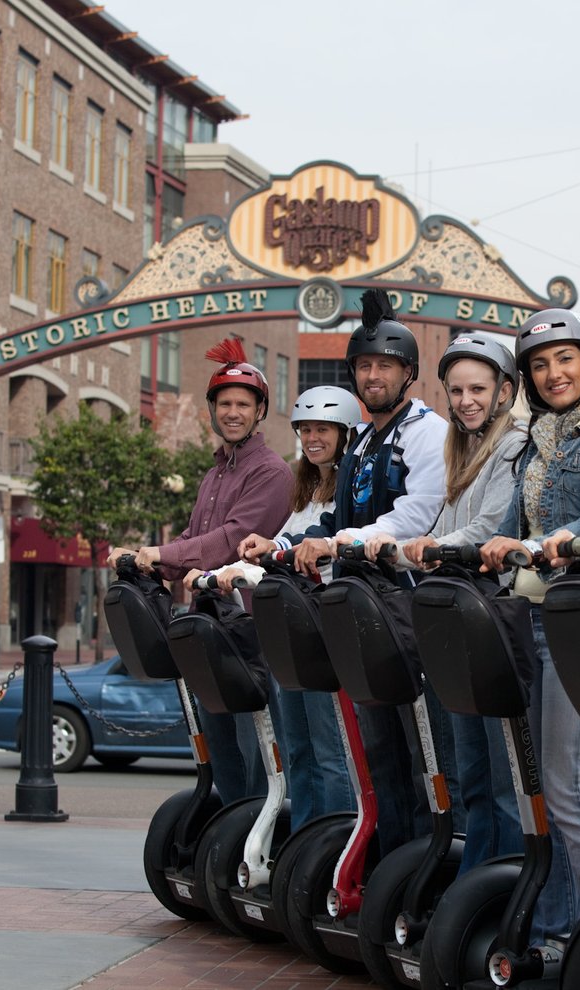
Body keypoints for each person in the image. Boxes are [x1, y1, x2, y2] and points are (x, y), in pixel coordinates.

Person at [239, 289, 450, 856]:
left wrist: (339, 541)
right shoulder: (363, 442)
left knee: (414, 754)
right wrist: (282, 543)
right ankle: (386, 862)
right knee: (376, 755)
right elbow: (334, 516)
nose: (373, 375)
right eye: (363, 366)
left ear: (407, 372)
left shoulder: (426, 432)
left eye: (384, 365)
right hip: (358, 610)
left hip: (403, 610)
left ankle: (421, 863)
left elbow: (418, 512)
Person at [479, 308, 580, 964]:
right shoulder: (534, 440)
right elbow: (513, 515)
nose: (554, 373)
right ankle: (553, 930)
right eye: (541, 365)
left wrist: (530, 542)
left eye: (565, 359)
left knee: (567, 784)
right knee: (541, 786)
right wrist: (494, 539)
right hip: (531, 615)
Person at [364, 333, 527, 873]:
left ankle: (499, 885)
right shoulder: (462, 446)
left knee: (499, 780)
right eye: (456, 390)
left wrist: (424, 551)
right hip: (457, 618)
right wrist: (408, 551)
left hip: (493, 620)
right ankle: (472, 882)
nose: (466, 400)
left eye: (478, 388)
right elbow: (444, 526)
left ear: (505, 391)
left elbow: (486, 529)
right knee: (472, 776)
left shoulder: (512, 444)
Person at [107, 337, 293, 806]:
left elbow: (228, 542)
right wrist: (141, 559)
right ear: (212, 410)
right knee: (220, 753)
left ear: (259, 412)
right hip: (209, 631)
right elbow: (192, 539)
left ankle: (259, 841)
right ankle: (229, 843)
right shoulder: (214, 475)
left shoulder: (270, 472)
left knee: (257, 759)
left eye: (243, 404)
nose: (233, 412)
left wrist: (160, 554)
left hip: (250, 634)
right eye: (224, 403)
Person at [198, 385, 360, 830]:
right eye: (305, 429)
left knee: (329, 749)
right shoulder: (304, 487)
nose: (312, 438)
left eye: (323, 429)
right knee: (298, 749)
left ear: (345, 432)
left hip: (327, 626)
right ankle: (304, 843)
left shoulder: (348, 486)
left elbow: (332, 540)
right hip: (293, 628)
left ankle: (335, 843)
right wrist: (238, 565)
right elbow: (279, 544)